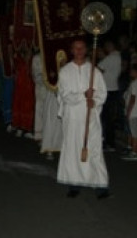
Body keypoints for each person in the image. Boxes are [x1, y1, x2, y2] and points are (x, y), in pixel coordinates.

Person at [56, 38, 109, 199]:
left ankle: (100, 185)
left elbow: (102, 93)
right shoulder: (65, 71)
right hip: (72, 117)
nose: (79, 51)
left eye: (82, 48)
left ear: (86, 50)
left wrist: (95, 101)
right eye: (76, 48)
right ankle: (74, 184)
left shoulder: (94, 72)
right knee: (73, 149)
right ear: (71, 51)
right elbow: (64, 95)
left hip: (90, 116)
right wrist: (82, 95)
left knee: (93, 148)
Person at [98, 39, 122, 152]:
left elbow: (98, 68)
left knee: (106, 118)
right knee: (108, 118)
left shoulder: (112, 57)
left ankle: (108, 142)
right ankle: (109, 141)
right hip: (113, 89)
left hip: (108, 90)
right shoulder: (117, 57)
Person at [10, 44, 34, 138]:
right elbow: (14, 70)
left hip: (28, 87)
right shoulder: (17, 59)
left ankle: (27, 128)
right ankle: (19, 127)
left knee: (28, 107)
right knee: (19, 105)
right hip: (20, 87)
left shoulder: (32, 59)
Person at [121, 63, 137, 161]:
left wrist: (128, 111)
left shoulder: (135, 83)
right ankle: (134, 150)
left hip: (134, 111)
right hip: (136, 111)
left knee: (135, 133)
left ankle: (135, 152)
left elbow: (133, 98)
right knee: (134, 132)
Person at [31, 49, 46, 142]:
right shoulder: (37, 58)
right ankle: (40, 135)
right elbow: (35, 74)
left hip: (51, 90)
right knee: (40, 109)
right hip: (41, 88)